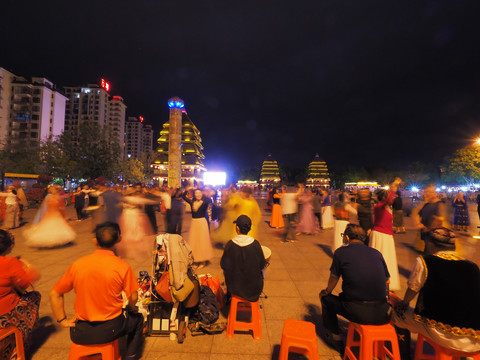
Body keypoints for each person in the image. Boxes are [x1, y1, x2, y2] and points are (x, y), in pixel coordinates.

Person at [49, 222, 144, 360]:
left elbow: (54, 293)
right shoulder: (122, 266)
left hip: (80, 332)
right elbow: (133, 296)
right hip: (111, 329)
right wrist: (131, 307)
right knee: (138, 319)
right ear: (119, 239)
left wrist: (62, 320)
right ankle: (130, 357)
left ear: (95, 241)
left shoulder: (78, 264)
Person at [393, 227, 480, 353]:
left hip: (444, 334)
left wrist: (403, 304)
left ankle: (403, 355)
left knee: (399, 313)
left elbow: (412, 289)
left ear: (431, 243)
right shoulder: (472, 266)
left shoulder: (426, 261)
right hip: (475, 339)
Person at [319, 224, 391, 355]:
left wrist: (326, 291)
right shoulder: (376, 253)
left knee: (326, 299)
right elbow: (387, 280)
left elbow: (333, 279)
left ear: (346, 237)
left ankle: (335, 338)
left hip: (357, 311)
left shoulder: (341, 252)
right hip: (383, 313)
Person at [0, 230, 41, 357]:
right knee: (34, 297)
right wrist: (26, 264)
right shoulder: (9, 262)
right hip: (4, 313)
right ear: (9, 246)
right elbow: (26, 282)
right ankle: (21, 340)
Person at [220, 215, 266, 302]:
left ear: (237, 228)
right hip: (253, 290)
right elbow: (262, 264)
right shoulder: (255, 244)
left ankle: (230, 297)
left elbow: (223, 265)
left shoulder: (230, 244)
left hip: (234, 288)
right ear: (249, 229)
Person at [369, 178, 402, 291]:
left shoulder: (380, 207)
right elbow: (389, 200)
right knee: (385, 259)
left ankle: (379, 282)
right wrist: (394, 186)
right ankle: (380, 282)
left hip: (383, 234)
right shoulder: (381, 206)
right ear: (383, 197)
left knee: (382, 259)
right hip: (382, 235)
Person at [182, 185, 213, 268]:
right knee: (194, 242)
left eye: (199, 193)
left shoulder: (205, 202)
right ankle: (196, 260)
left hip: (202, 223)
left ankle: (203, 261)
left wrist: (204, 191)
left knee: (202, 242)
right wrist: (187, 189)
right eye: (196, 193)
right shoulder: (192, 202)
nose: (198, 195)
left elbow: (210, 199)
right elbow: (183, 197)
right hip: (194, 223)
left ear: (202, 194)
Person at [413, 184, 447, 255]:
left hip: (433, 234)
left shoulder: (439, 204)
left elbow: (440, 218)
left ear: (435, 193)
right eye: (426, 192)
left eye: (430, 192)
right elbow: (418, 214)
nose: (427, 194)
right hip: (426, 233)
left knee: (431, 254)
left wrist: (429, 228)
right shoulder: (426, 204)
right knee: (427, 252)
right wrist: (418, 223)